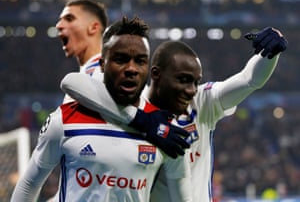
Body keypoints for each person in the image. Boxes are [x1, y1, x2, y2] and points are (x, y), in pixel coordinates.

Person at [60, 26, 287, 202]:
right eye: (182, 80)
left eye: (194, 81)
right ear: (156, 74)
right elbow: (73, 83)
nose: (190, 89)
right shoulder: (129, 106)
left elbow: (249, 79)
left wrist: (269, 53)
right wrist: (142, 121)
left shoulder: (203, 101)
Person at [10, 16, 192, 202]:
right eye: (121, 59)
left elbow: (182, 198)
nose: (131, 68)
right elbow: (29, 185)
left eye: (140, 61)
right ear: (103, 65)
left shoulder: (168, 130)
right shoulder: (65, 119)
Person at [56, 0, 108, 103]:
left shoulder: (107, 76)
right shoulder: (88, 75)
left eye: (69, 19)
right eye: (60, 20)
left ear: (93, 27)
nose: (59, 25)